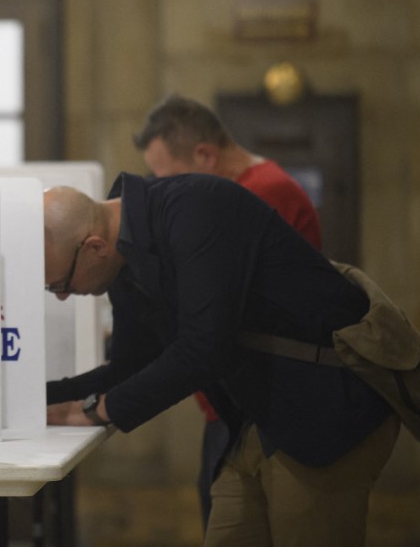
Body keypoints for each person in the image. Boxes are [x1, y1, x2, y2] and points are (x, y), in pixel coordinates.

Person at [44, 173, 399, 547]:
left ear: (95, 247)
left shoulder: (193, 208)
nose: (63, 297)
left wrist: (99, 411)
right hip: (253, 422)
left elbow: (203, 349)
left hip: (322, 411)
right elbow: (129, 366)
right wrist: (39, 398)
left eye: (60, 284)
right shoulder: (123, 261)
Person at [132, 94, 323, 528]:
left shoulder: (261, 192)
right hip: (235, 401)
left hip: (264, 405)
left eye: (167, 179)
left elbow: (211, 306)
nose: (163, 194)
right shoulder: (245, 190)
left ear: (205, 155)